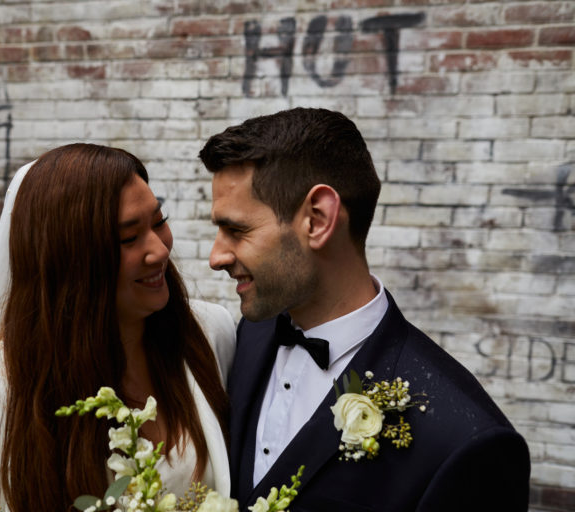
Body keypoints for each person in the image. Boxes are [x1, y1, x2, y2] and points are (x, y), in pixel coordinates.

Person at [199, 108, 530, 511]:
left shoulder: (465, 440)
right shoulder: (250, 336)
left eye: (237, 230)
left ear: (318, 220)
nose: (216, 256)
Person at [0, 143, 236, 511]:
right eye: (129, 238)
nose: (159, 249)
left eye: (159, 221)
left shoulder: (210, 335)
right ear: (72, 259)